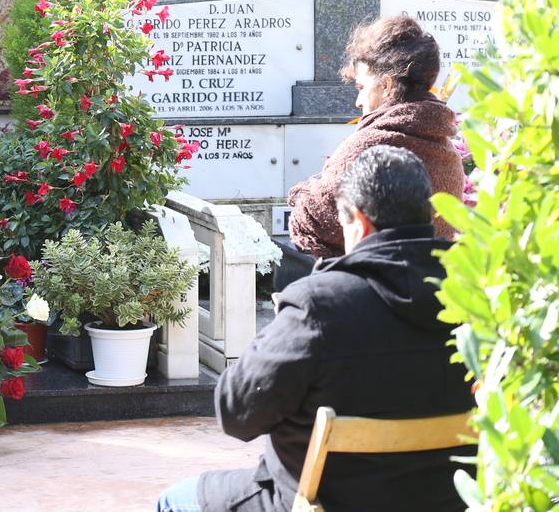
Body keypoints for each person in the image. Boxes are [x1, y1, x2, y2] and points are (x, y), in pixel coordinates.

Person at [157, 146, 475, 512]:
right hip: (447, 500)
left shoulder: (319, 305)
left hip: (325, 501)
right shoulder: (478, 297)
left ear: (358, 221)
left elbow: (236, 414)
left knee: (174, 501)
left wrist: (281, 334)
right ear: (430, 214)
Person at [286, 15, 463, 264]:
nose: (358, 102)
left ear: (387, 86)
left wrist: (306, 190)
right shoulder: (447, 152)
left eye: (361, 88)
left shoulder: (368, 145)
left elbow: (312, 218)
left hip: (364, 292)